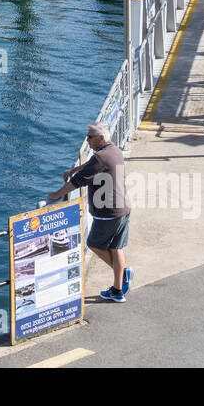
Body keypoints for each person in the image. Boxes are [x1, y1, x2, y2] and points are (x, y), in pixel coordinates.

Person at [49, 122, 132, 303]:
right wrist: (74, 169)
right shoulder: (114, 151)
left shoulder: (100, 158)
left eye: (90, 137)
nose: (87, 140)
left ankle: (123, 273)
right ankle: (118, 291)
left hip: (108, 212)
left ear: (101, 138)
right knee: (116, 247)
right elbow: (91, 165)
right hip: (123, 208)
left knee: (94, 243)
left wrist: (57, 194)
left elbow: (78, 181)